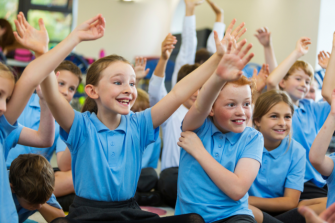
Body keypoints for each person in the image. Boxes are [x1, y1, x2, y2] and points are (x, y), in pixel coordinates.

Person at [19, 9, 234, 221]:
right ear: (93, 91)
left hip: (128, 212)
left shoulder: (139, 124)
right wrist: (42, 53)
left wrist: (217, 58)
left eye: (132, 83)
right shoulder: (80, 125)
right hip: (87, 213)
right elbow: (53, 96)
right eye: (118, 82)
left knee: (193, 220)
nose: (128, 89)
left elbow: (178, 93)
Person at [149, 21, 246, 207]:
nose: (196, 93)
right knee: (167, 178)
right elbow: (155, 92)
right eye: (192, 88)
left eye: (201, 88)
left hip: (201, 176)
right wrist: (163, 60)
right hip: (173, 176)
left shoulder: (213, 117)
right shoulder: (172, 112)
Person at [176, 39, 261, 222]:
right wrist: (218, 76)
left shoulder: (253, 137)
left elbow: (237, 190)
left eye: (246, 104)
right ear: (211, 110)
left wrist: (199, 151)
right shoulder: (198, 126)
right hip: (192, 217)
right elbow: (200, 107)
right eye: (231, 104)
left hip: (233, 215)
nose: (241, 111)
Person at [0, 12, 60, 223]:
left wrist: (45, 101)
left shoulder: (3, 130)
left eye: (7, 99)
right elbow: (29, 78)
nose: (2, 107)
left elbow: (44, 139)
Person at [266, 36, 335, 203]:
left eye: (307, 81)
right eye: (298, 79)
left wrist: (329, 66)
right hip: (291, 183)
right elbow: (271, 80)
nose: (304, 84)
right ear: (283, 82)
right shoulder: (278, 106)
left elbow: (330, 93)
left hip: (316, 181)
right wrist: (297, 53)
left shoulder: (311, 108)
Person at [248, 90, 306, 223]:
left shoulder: (297, 151)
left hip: (275, 210)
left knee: (322, 205)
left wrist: (247, 201)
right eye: (274, 116)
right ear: (257, 120)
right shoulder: (244, 144)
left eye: (287, 117)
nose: (282, 123)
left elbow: (291, 202)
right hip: (245, 211)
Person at [171, 0, 227, 87]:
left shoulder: (207, 86)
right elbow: (189, 46)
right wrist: (189, 9)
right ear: (201, 63)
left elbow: (215, 50)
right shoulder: (185, 76)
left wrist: (219, 14)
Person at [9, 154, 64, 223]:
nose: (39, 207)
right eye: (32, 203)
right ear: (12, 189)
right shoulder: (4, 191)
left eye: (43, 202)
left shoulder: (42, 187)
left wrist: (39, 201)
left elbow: (60, 219)